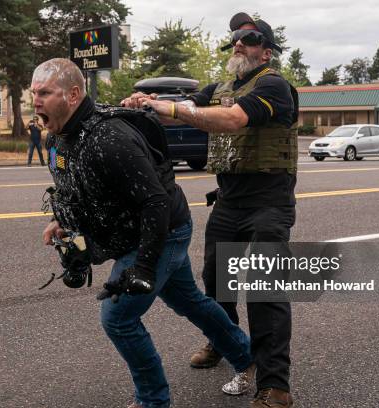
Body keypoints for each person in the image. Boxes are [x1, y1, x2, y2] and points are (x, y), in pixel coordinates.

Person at [33, 58, 254, 408]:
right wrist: (59, 219)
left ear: (73, 94)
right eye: (34, 93)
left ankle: (153, 400)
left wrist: (144, 269)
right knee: (190, 302)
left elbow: (155, 203)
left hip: (164, 230)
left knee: (118, 318)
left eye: (44, 93)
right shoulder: (59, 138)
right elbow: (70, 185)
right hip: (131, 232)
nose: (36, 100)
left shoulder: (109, 138)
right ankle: (248, 357)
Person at [122, 12, 298, 408]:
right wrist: (147, 104)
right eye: (236, 38)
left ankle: (275, 385)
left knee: (264, 289)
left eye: (250, 39)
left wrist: (169, 110)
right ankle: (225, 341)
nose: (239, 43)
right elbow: (188, 105)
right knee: (217, 279)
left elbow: (234, 119)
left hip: (269, 201)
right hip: (230, 199)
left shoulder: (273, 85)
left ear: (266, 50)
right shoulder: (219, 87)